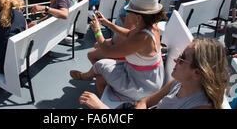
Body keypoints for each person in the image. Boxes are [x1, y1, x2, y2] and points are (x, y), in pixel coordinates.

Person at [79, 38, 229, 109]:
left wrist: (102, 108)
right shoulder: (179, 83)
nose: (176, 59)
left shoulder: (199, 106)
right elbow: (145, 102)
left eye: (182, 59)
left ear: (197, 72)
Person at [77, 0, 165, 102]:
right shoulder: (151, 26)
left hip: (141, 85)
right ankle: (88, 75)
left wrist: (97, 31)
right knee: (101, 66)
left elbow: (108, 52)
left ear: (138, 17)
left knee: (100, 68)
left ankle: (102, 98)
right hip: (147, 76)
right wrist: (107, 23)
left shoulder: (141, 38)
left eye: (129, 11)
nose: (127, 13)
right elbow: (128, 34)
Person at [69, 0, 137, 80]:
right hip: (119, 41)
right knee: (96, 45)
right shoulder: (129, 2)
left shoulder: (131, 7)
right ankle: (101, 74)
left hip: (123, 47)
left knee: (91, 55)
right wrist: (105, 21)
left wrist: (98, 30)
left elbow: (127, 34)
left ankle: (102, 78)